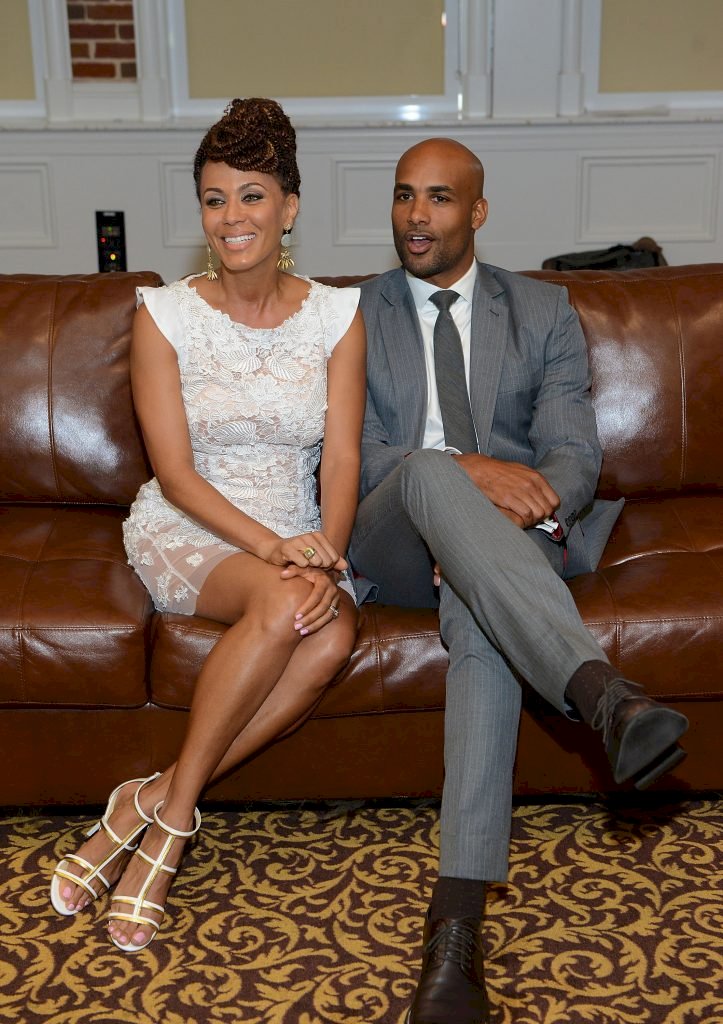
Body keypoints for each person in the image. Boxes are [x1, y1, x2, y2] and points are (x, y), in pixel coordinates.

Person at [348, 137, 689, 1024]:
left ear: (477, 212)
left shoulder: (541, 309)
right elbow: (350, 456)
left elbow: (573, 454)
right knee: (429, 473)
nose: (416, 216)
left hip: (516, 537)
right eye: (402, 197)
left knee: (479, 612)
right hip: (390, 529)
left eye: (439, 199)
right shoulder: (349, 312)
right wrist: (461, 475)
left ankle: (454, 931)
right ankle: (600, 693)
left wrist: (492, 525)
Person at [49, 97, 366, 953]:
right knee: (282, 609)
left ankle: (145, 799)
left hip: (297, 530)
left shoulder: (337, 315)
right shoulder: (163, 314)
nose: (232, 217)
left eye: (252, 195)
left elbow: (340, 460)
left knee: (330, 635)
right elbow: (177, 473)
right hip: (191, 525)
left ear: (289, 207)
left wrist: (326, 554)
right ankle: (174, 826)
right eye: (215, 198)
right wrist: (272, 550)